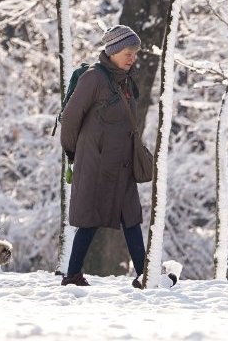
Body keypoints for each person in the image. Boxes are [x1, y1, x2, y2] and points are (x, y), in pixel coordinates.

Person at [60, 24, 147, 287]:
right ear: (112, 51)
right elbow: (70, 119)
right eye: (127, 52)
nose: (132, 57)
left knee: (131, 218)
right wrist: (74, 153)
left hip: (122, 164)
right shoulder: (93, 78)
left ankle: (144, 274)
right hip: (96, 164)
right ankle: (72, 276)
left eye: (135, 52)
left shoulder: (128, 81)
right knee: (89, 219)